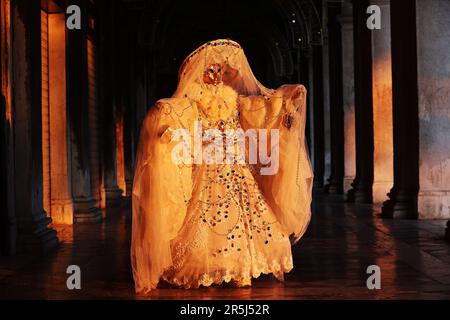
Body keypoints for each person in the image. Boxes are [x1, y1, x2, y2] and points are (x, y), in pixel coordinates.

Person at [131, 39, 313, 293]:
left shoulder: (234, 99)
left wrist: (283, 102)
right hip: (209, 163)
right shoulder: (194, 100)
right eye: (212, 69)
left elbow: (258, 108)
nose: (217, 75)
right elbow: (179, 113)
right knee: (206, 211)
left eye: (222, 70)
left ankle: (243, 267)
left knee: (249, 211)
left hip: (237, 164)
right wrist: (166, 119)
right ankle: (212, 266)